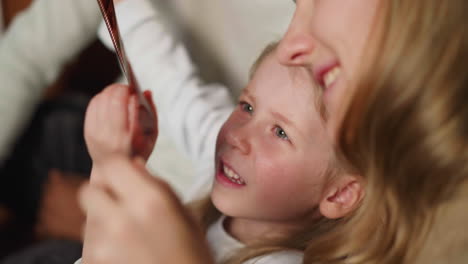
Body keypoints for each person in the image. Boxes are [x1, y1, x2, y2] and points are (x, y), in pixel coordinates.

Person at [80, 0, 468, 263]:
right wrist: (114, 161)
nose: (238, 134)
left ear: (341, 192)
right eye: (247, 106)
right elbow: (171, 81)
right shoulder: (225, 160)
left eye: (281, 133)